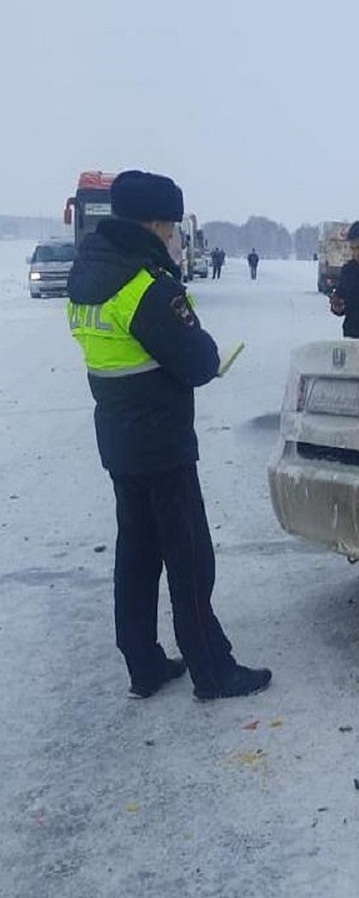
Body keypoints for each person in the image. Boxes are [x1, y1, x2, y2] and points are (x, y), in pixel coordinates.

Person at [65, 170, 272, 701]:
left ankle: (144, 663)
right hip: (160, 440)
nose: (178, 237)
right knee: (189, 557)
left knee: (135, 553)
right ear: (156, 224)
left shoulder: (87, 274)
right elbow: (199, 360)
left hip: (117, 437)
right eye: (174, 227)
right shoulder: (145, 287)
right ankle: (213, 670)